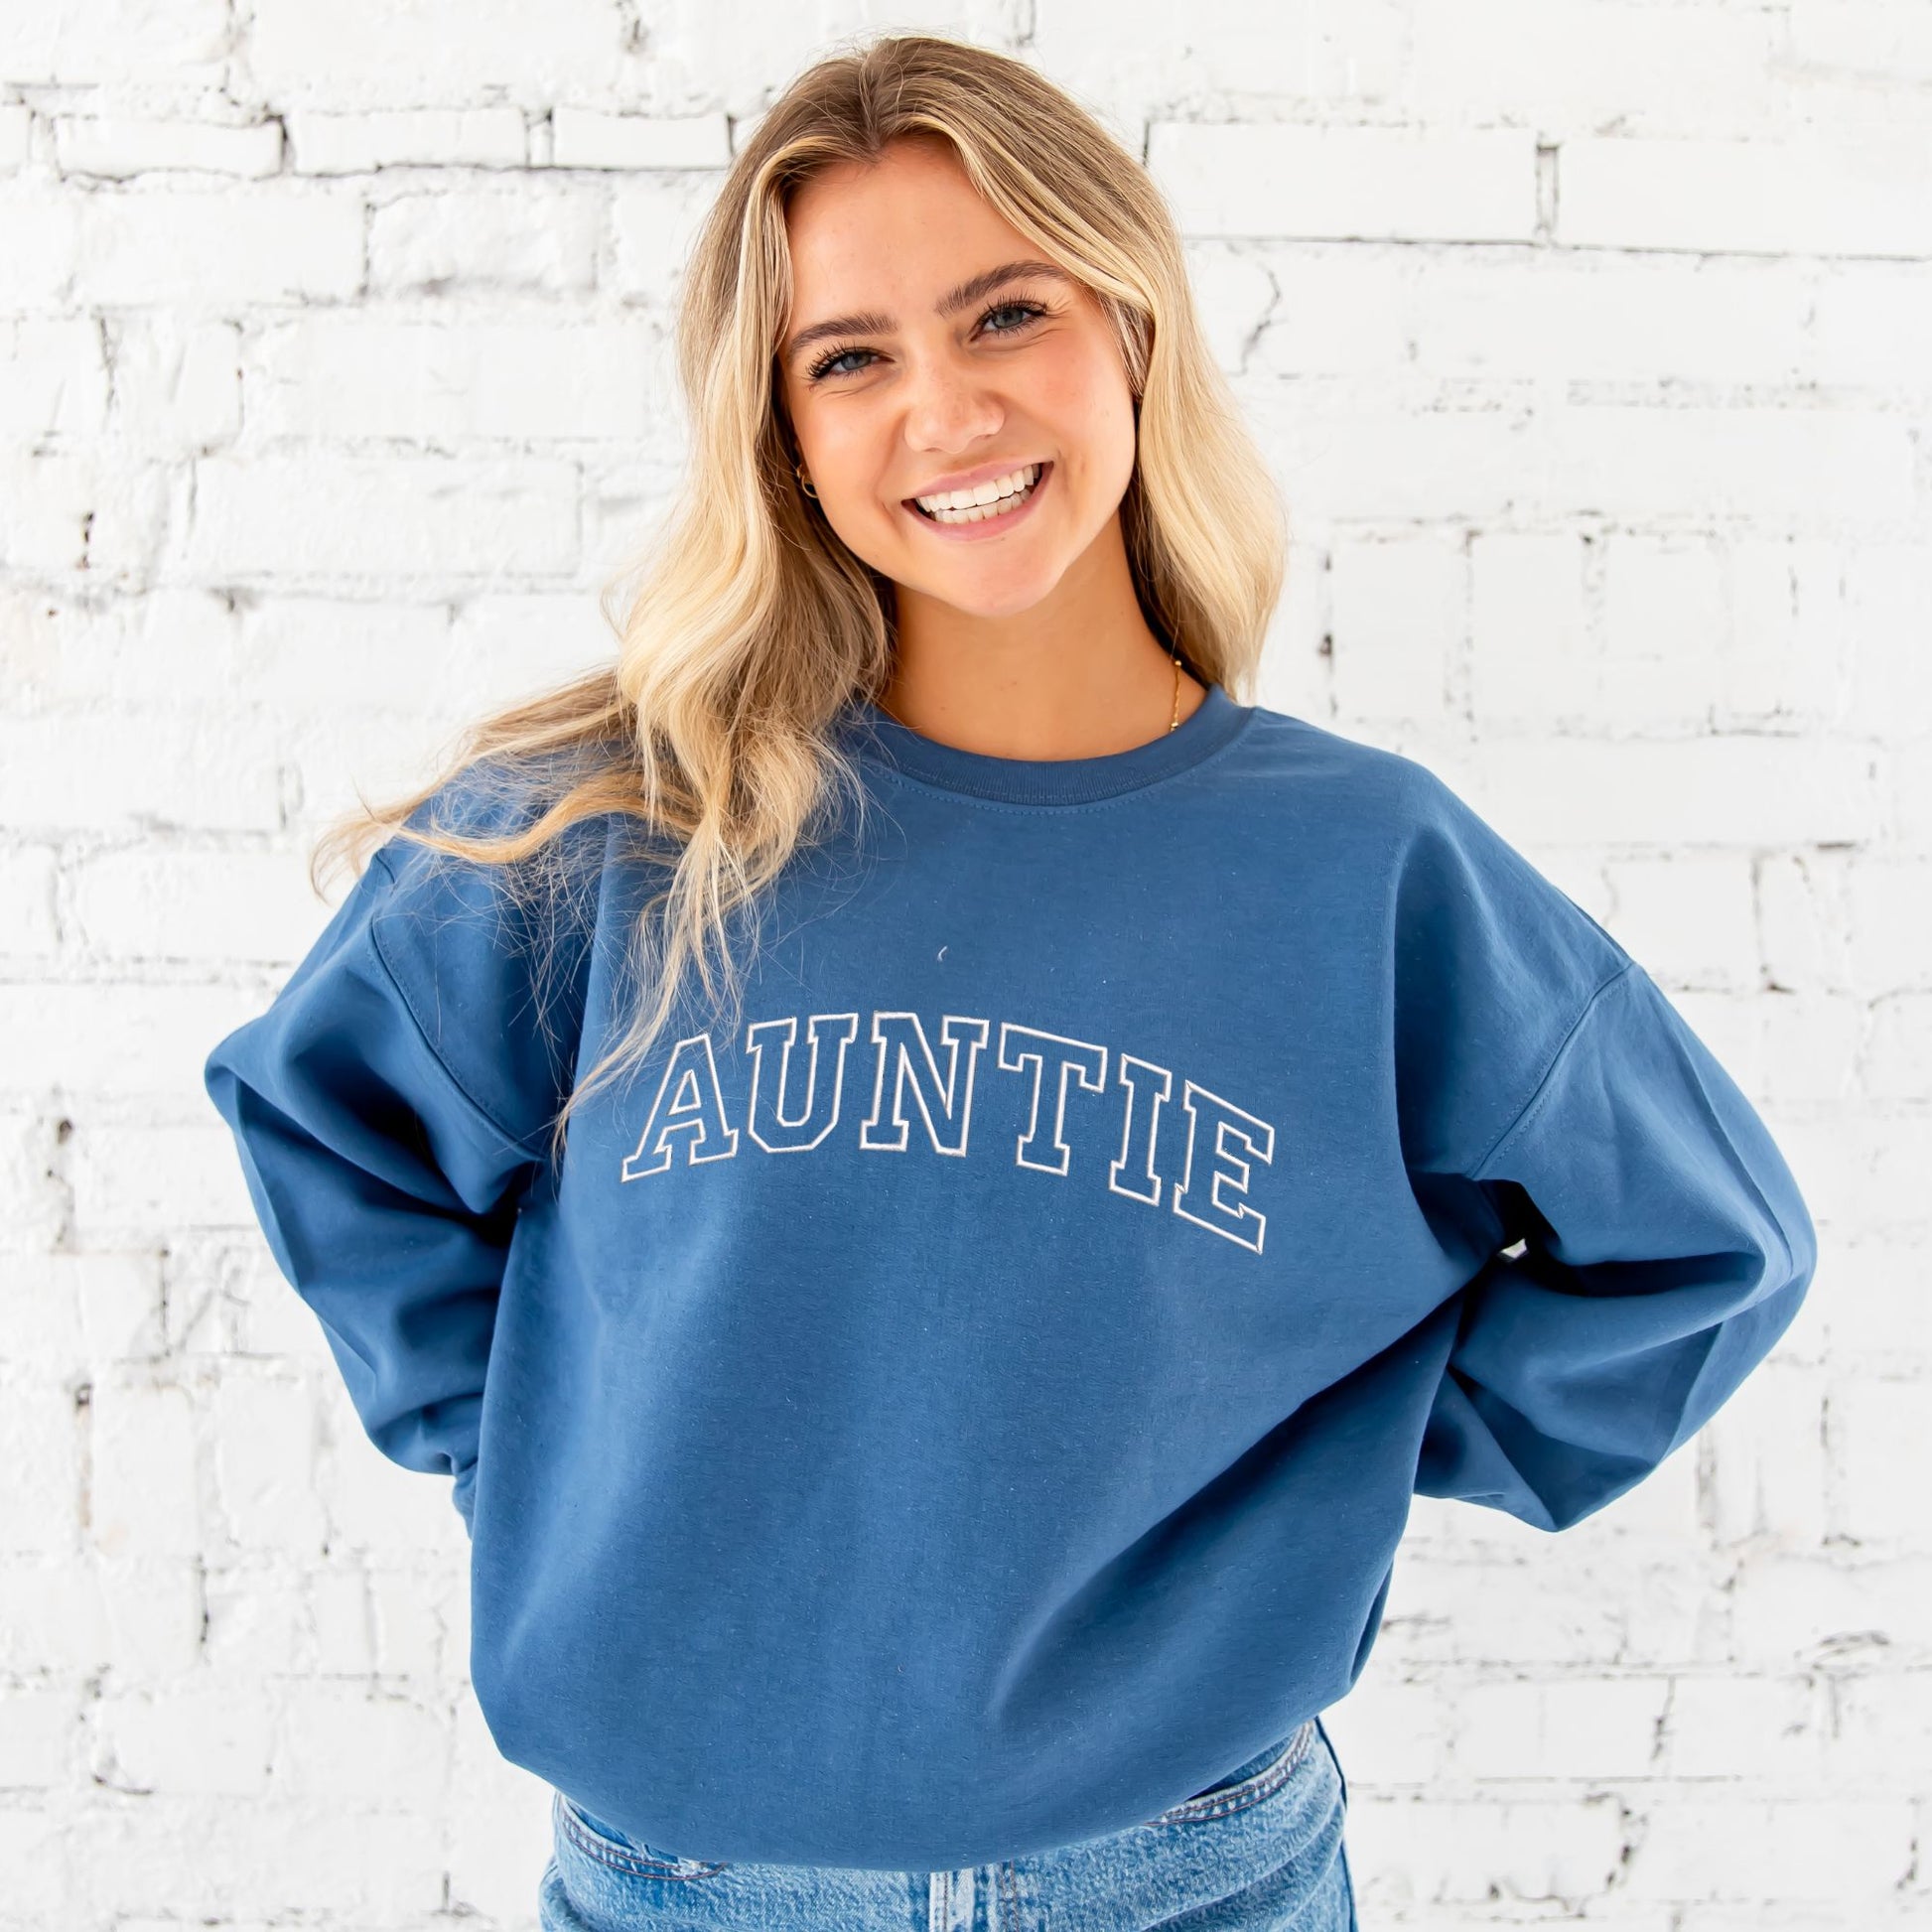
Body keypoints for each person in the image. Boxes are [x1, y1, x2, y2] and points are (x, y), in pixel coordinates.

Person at [202, 32, 1817, 1932]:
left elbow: (1702, 1250)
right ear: (781, 432)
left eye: (1006, 313)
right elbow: (331, 1120)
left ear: (1128, 326)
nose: (947, 410)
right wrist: (556, 1451)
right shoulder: (618, 831)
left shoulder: (1365, 866)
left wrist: (1307, 1472)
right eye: (851, 357)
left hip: (1187, 1878)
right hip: (687, 1885)